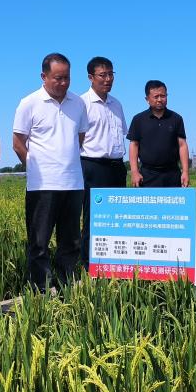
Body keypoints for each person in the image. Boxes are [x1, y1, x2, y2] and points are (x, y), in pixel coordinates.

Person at [12, 53, 88, 293]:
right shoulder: (29, 103)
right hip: (41, 185)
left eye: (67, 78)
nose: (63, 83)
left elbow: (80, 138)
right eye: (58, 78)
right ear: (43, 76)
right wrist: (36, 167)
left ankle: (67, 285)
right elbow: (18, 142)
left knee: (71, 241)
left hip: (73, 183)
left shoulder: (78, 103)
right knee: (39, 242)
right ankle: (41, 290)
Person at [79, 57, 127, 263]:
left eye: (111, 74)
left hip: (117, 166)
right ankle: (88, 265)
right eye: (103, 75)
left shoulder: (117, 104)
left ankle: (114, 263)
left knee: (117, 217)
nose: (108, 79)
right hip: (93, 166)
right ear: (91, 77)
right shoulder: (82, 103)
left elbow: (122, 134)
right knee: (93, 217)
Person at [127, 80, 190, 187]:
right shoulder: (139, 119)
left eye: (163, 96)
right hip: (147, 175)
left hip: (172, 174)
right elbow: (134, 145)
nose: (160, 100)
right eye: (156, 97)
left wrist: (185, 171)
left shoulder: (176, 118)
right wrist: (134, 171)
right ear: (147, 99)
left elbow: (182, 145)